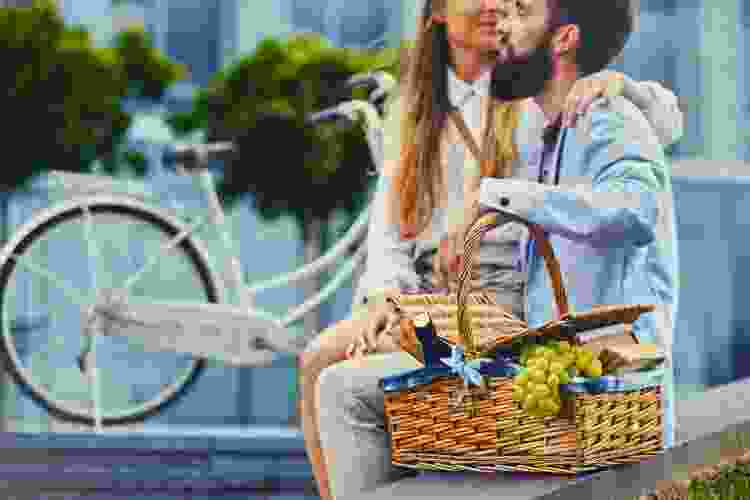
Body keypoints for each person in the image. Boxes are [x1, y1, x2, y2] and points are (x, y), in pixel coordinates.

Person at [300, 0, 683, 498]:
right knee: (329, 372)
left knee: (338, 380)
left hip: (576, 367)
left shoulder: (583, 112)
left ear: (561, 38)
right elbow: (389, 230)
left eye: (517, 10)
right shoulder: (525, 118)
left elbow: (639, 190)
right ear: (436, 13)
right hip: (496, 325)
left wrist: (620, 85)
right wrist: (385, 294)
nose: (499, 14)